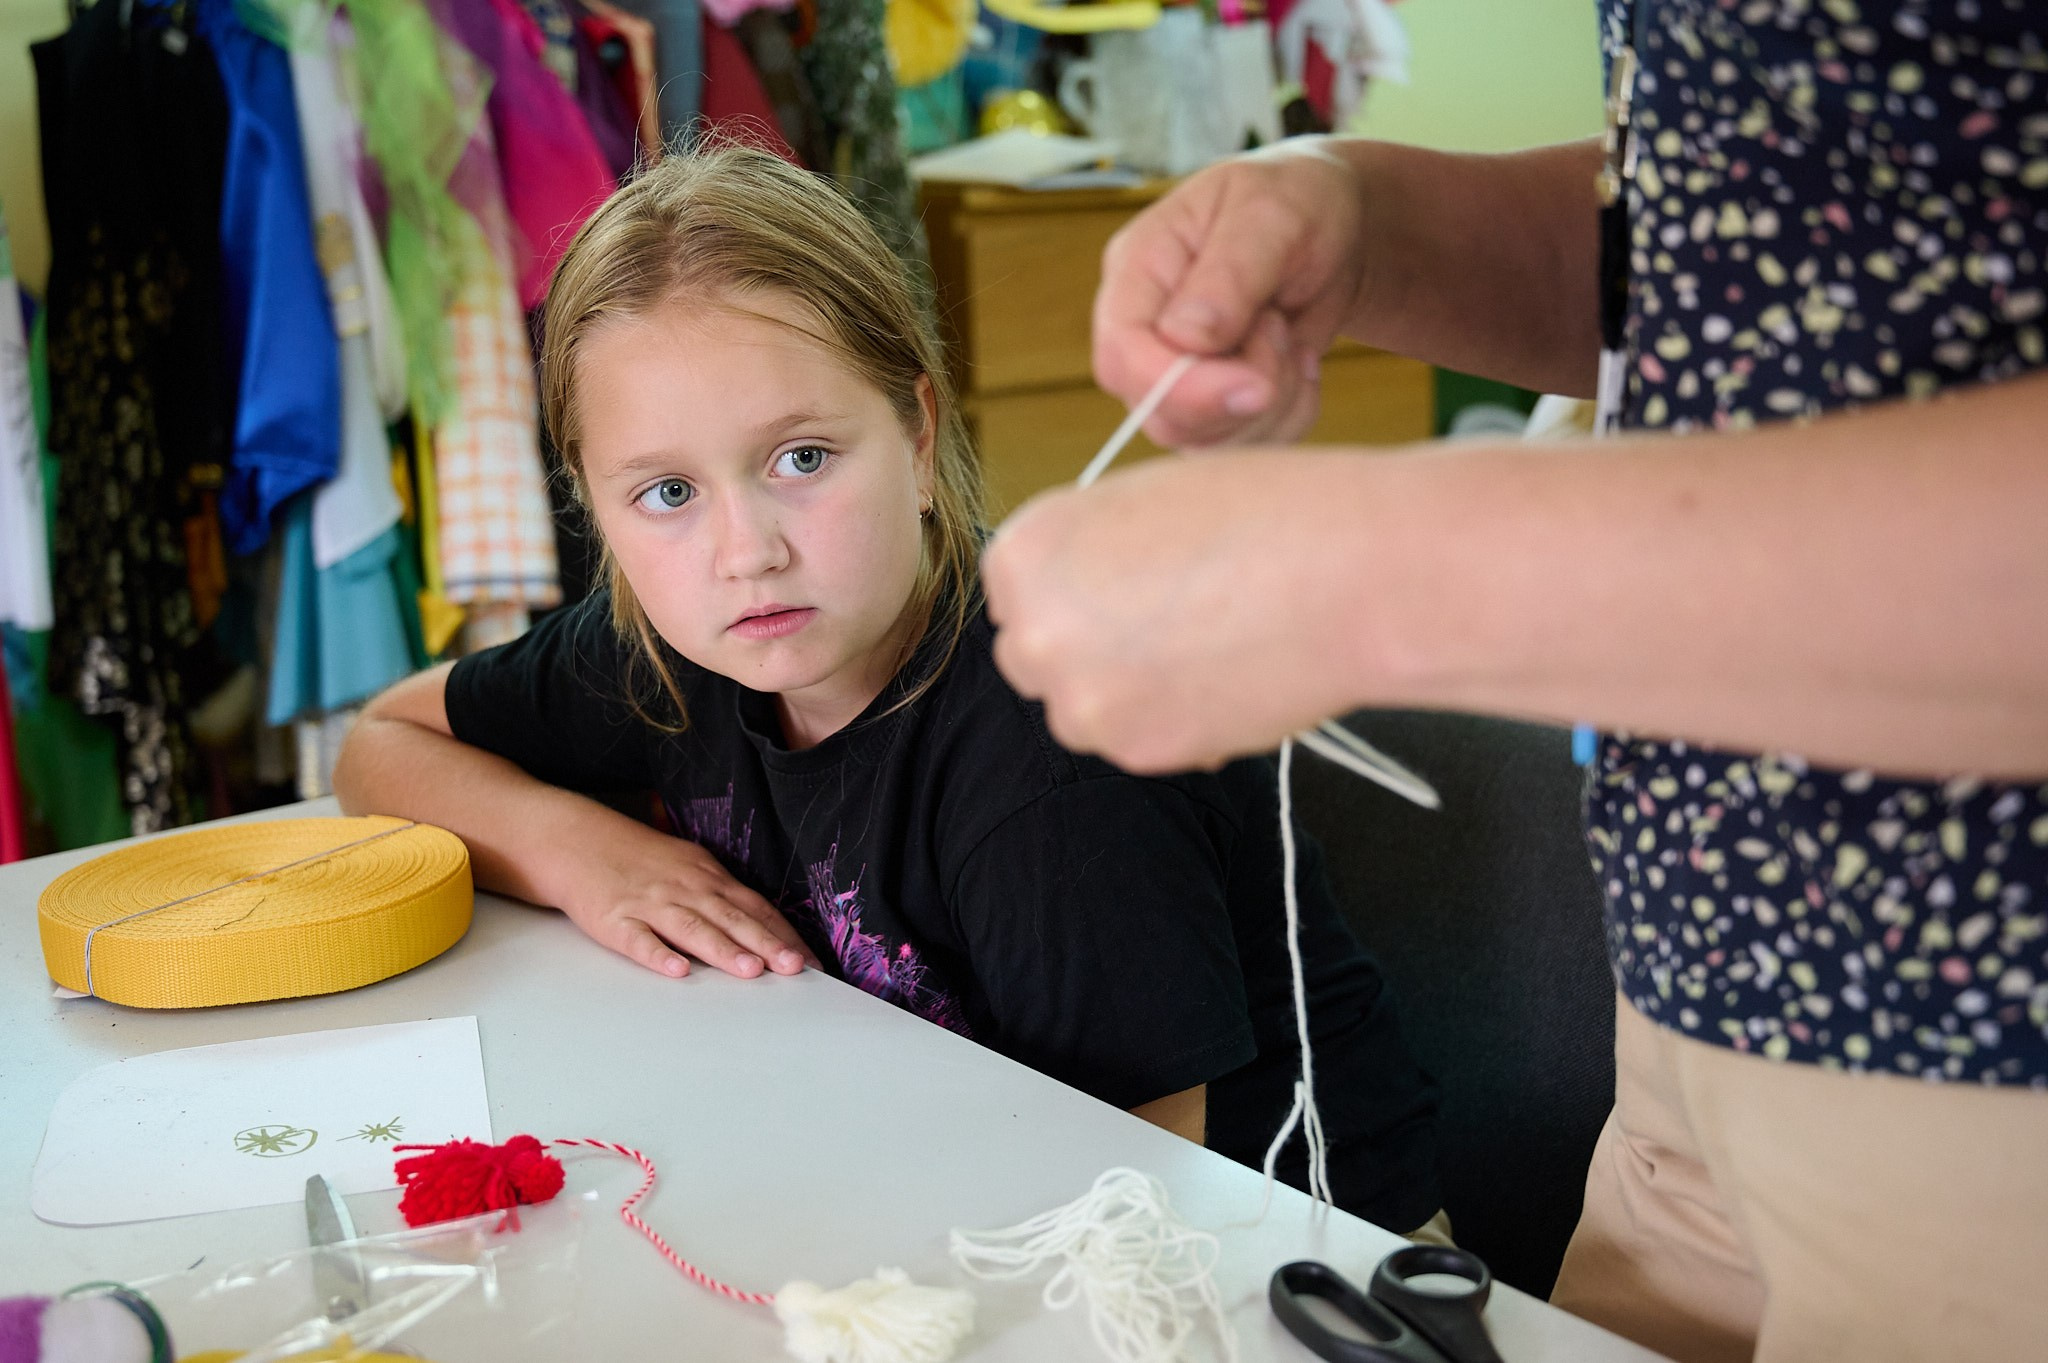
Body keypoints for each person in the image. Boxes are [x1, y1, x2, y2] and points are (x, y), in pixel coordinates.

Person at [980, 4, 2048, 1362]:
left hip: (1988, 1053)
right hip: (1701, 995)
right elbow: (1789, 230)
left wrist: (1379, 574)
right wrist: (1369, 221)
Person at [332, 145, 1445, 1236]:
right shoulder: (674, 649)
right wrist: (583, 853)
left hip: (1291, 1272)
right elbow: (378, 743)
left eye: (801, 459)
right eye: (666, 491)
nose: (744, 550)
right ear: (595, 507)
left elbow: (1130, 1218)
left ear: (917, 434)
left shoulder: (1056, 762)